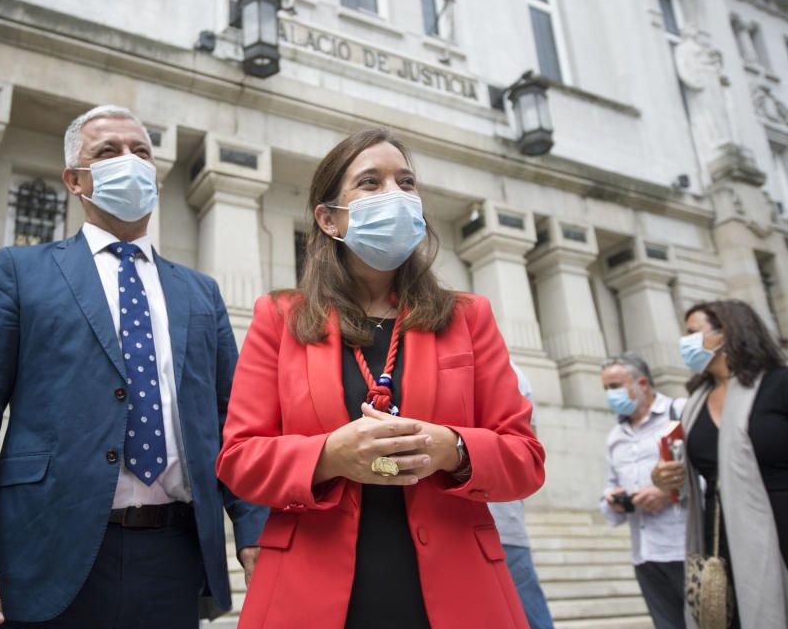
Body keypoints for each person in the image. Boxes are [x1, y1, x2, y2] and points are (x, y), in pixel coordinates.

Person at [0, 105, 267, 629]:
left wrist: (254, 531)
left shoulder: (202, 294)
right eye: (108, 152)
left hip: (173, 561)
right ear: (75, 180)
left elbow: (235, 425)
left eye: (141, 152)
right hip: (45, 554)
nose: (129, 161)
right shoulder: (21, 272)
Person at [216, 128, 546, 629]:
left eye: (406, 181)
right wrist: (328, 457)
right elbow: (239, 459)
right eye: (370, 182)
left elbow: (525, 458)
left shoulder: (469, 316)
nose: (395, 194)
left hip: (457, 587)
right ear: (329, 218)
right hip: (309, 586)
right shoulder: (280, 317)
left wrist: (454, 448)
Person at [652, 300, 788, 629]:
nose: (685, 343)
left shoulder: (779, 385)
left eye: (692, 333)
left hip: (780, 524)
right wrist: (664, 477)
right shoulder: (693, 404)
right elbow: (690, 476)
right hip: (721, 536)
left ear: (724, 334)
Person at [599, 353, 687, 629]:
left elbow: (711, 473)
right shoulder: (616, 437)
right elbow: (611, 487)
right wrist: (613, 501)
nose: (611, 395)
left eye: (615, 385)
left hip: (685, 546)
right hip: (645, 554)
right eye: (606, 389)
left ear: (643, 383)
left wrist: (667, 491)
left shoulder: (679, 413)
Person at [489, 361, 554, 629]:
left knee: (529, 616)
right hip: (452, 523)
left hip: (504, 526)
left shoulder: (510, 371)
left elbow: (527, 453)